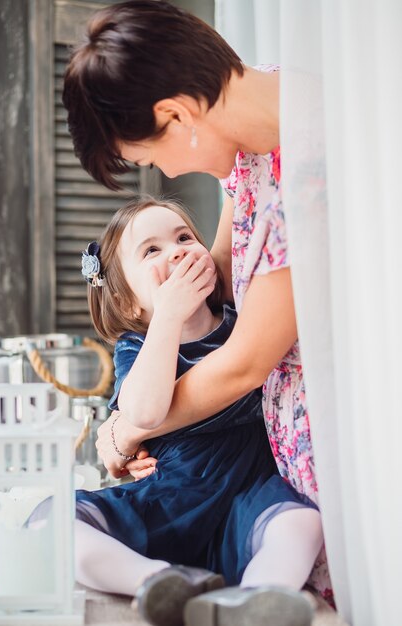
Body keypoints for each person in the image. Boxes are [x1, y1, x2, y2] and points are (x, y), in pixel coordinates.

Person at [62, 0, 333, 606]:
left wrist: (126, 431)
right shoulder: (260, 125)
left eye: (148, 157)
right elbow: (224, 273)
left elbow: (245, 361)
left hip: (279, 469)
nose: (162, 170)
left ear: (177, 114)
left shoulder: (311, 164)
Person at [72, 197, 323, 626]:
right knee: (54, 523)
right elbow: (143, 411)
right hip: (171, 499)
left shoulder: (242, 322)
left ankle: (260, 598)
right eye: (151, 251)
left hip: (249, 499)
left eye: (185, 237)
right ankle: (159, 579)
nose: (176, 251)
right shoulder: (137, 347)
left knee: (302, 523)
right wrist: (168, 315)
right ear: (131, 304)